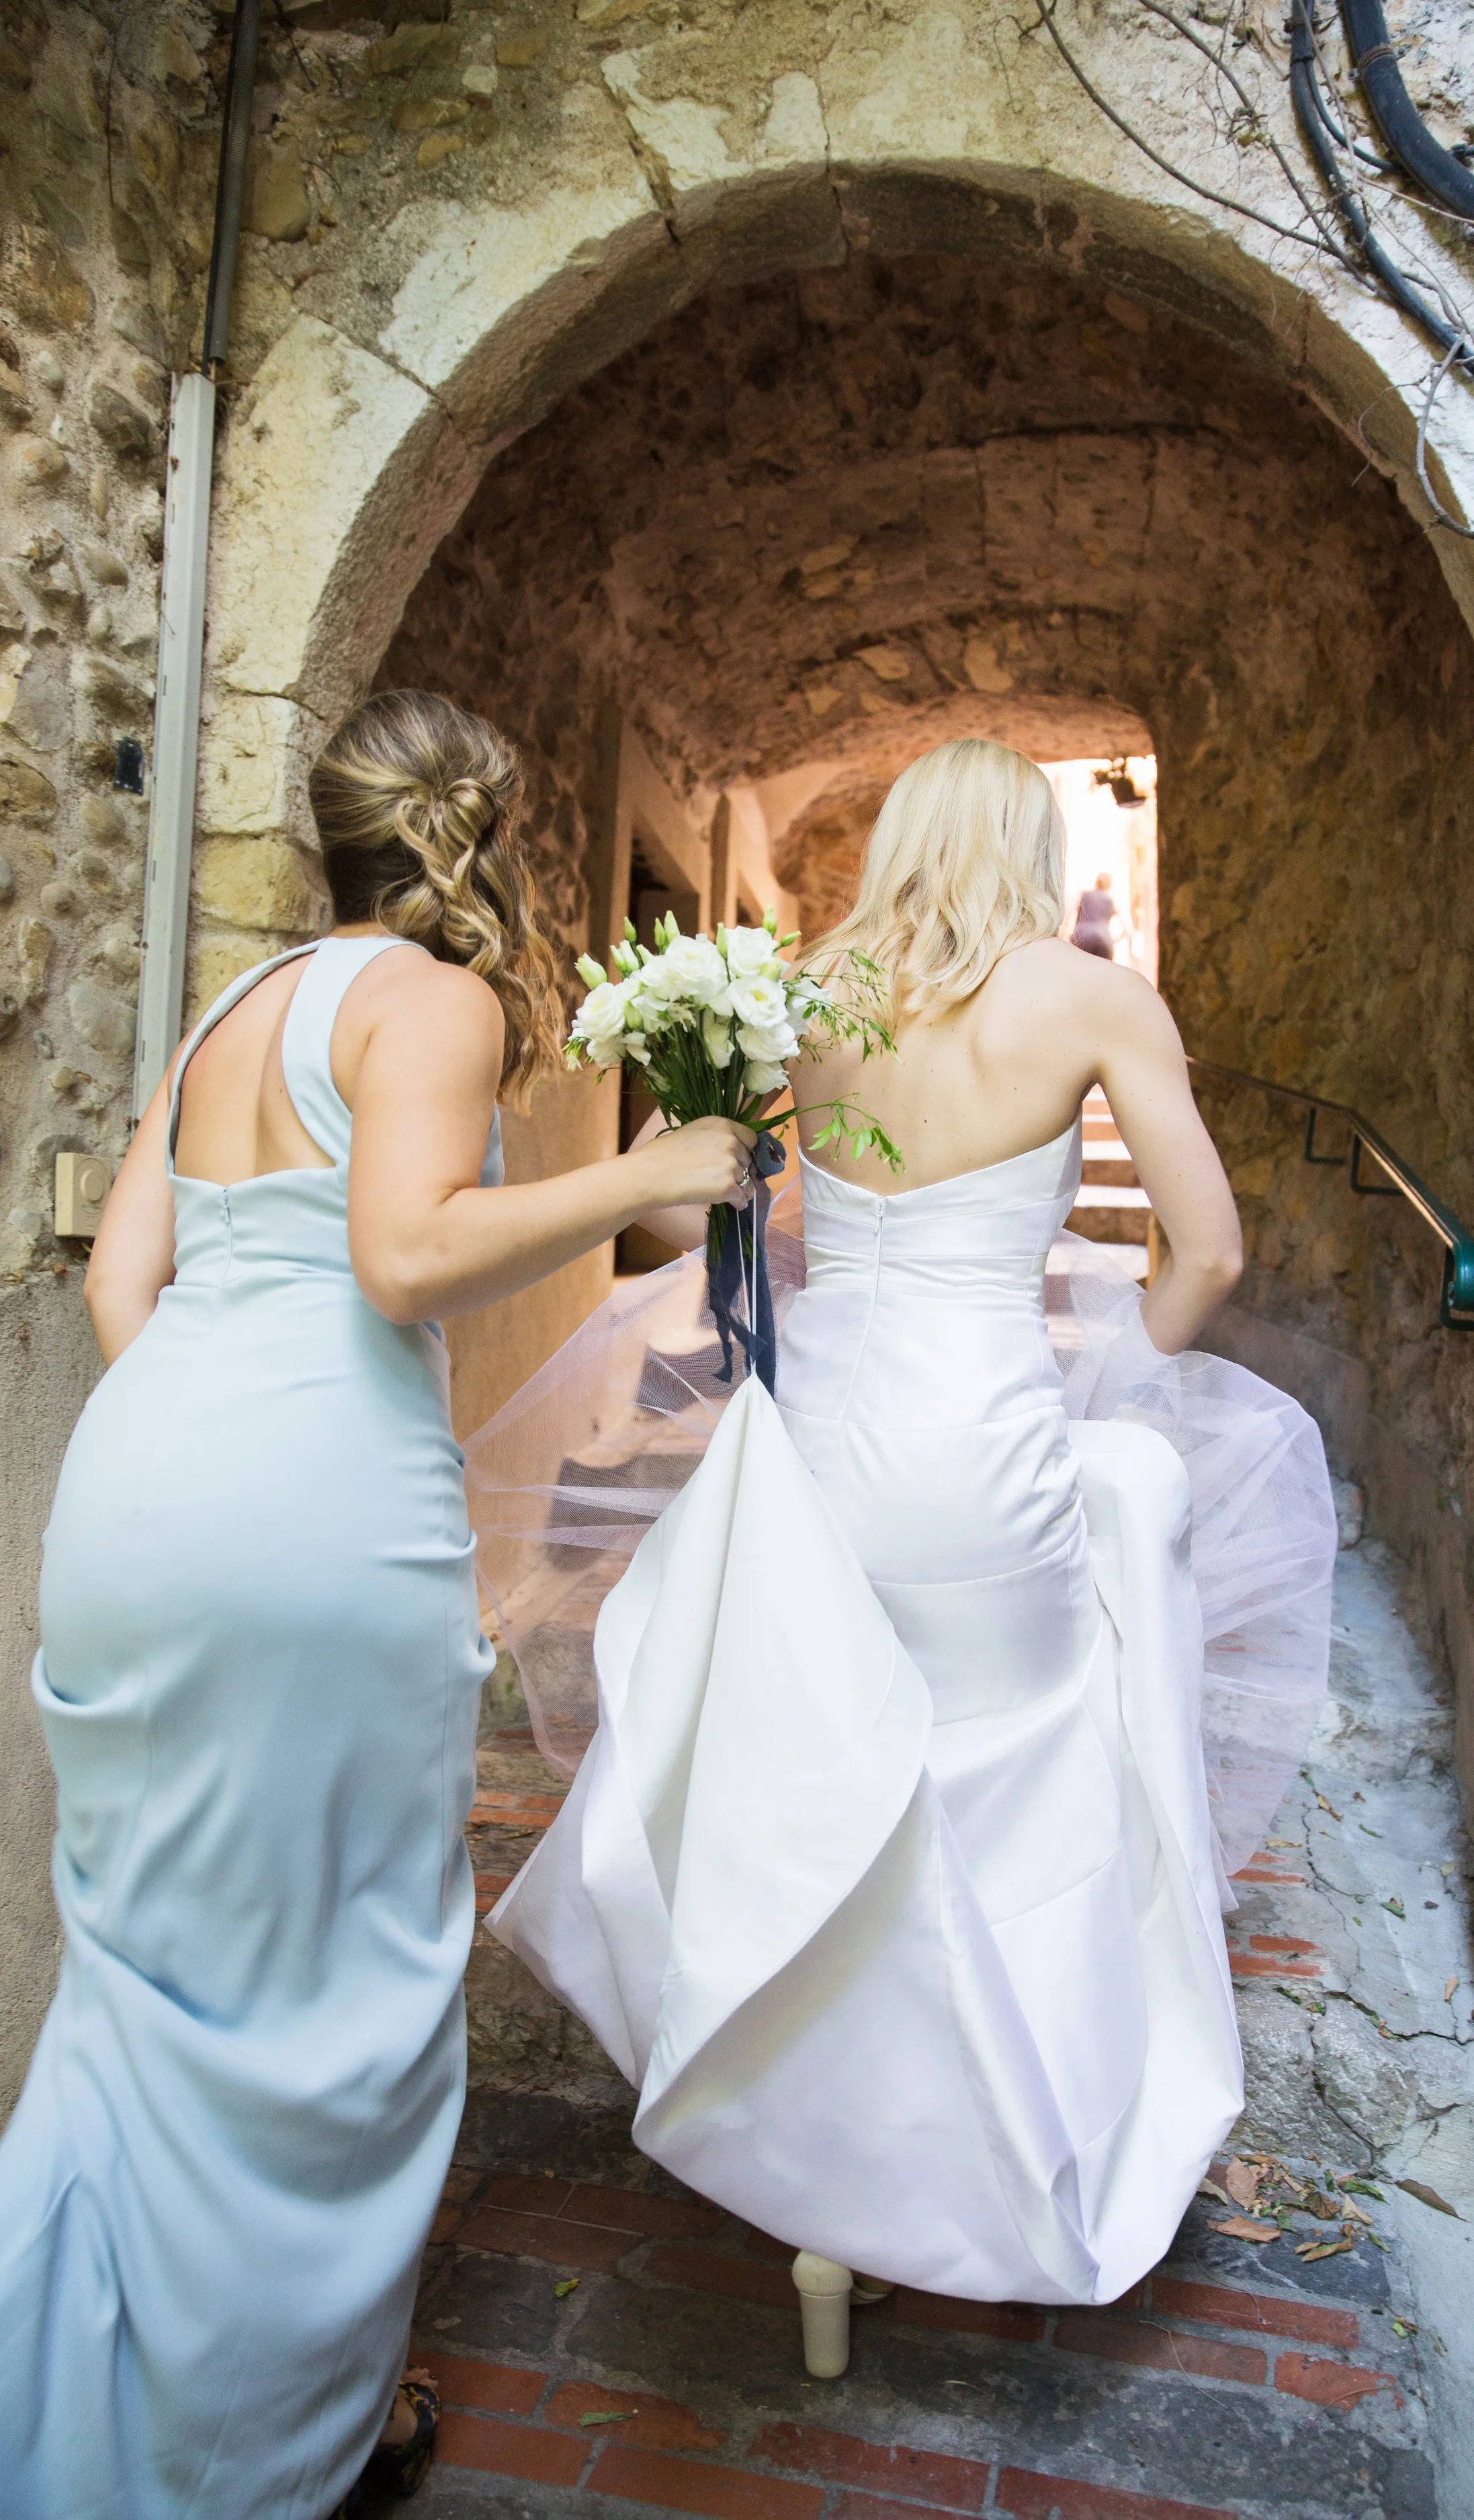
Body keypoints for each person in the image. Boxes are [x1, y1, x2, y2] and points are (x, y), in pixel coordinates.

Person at [478, 739, 1336, 2378]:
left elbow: (729, 1219)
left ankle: (825, 2219)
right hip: (982, 1460)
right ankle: (987, 2177)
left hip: (821, 1457)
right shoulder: (1087, 999)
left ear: (896, 841)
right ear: (1026, 840)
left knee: (834, 1798)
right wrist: (1100, 1372)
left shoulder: (801, 987)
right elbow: (1209, 1248)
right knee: (1008, 1799)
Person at [0, 689, 754, 2520]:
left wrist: (205, 1425)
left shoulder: (224, 1013)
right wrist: (657, 1166)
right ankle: (274, 2450)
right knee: (331, 1980)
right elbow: (402, 1251)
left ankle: (73, 2415)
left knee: (151, 1978)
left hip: (134, 1489)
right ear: (482, 829)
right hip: (311, 1520)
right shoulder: (437, 999)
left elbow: (125, 1282)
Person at [1072, 868, 1119, 958]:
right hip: (1104, 939)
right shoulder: (1111, 900)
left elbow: (1070, 915)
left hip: (1081, 937)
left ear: (1096, 883)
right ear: (1109, 884)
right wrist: (1113, 941)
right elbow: (1128, 929)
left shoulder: (1083, 894)